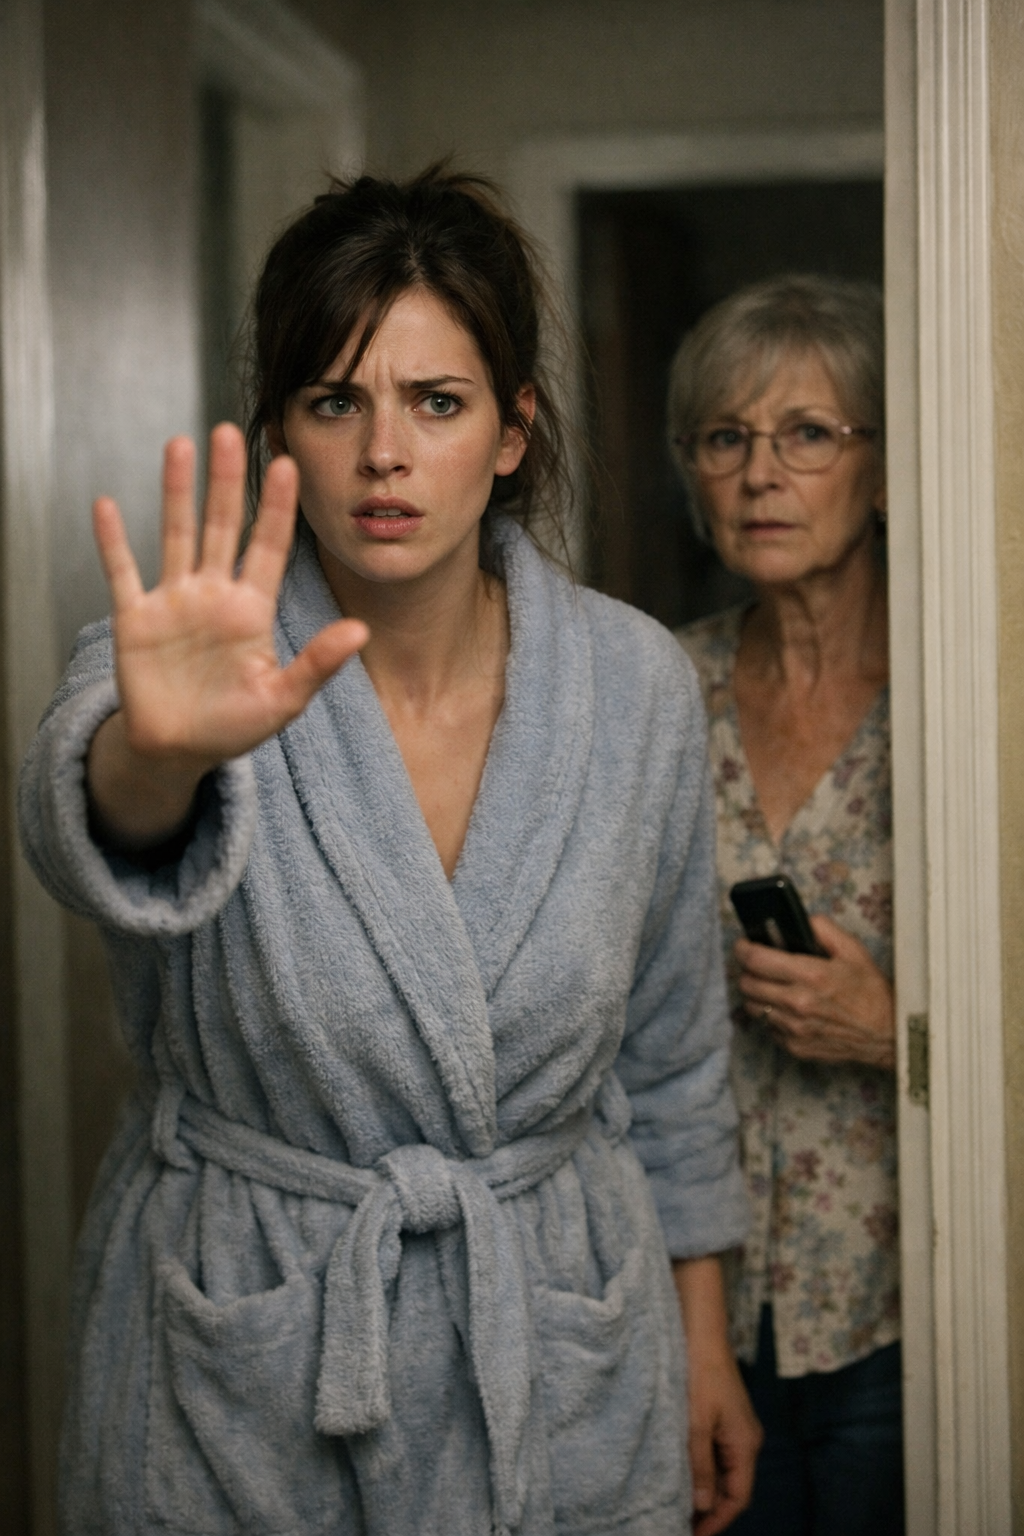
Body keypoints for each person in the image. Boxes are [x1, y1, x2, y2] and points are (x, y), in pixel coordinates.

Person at [20, 167, 761, 1536]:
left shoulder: (634, 687)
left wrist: (702, 1340)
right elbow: (90, 831)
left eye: (436, 402)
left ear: (513, 431)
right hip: (249, 1348)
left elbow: (670, 1052)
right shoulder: (193, 661)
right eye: (334, 401)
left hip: (555, 1336)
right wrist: (162, 753)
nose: (383, 455)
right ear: (281, 432)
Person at [669, 275, 901, 1536]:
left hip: (906, 1307)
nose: (760, 474)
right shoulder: (660, 688)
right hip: (694, 1311)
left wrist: (891, 1031)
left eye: (807, 433)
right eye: (725, 437)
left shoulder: (963, 690)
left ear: (883, 467)